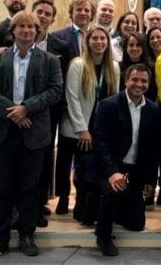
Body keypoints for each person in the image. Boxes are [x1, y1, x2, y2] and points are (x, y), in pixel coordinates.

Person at [0, 11, 63, 259]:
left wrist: (26, 107)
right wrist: (14, 112)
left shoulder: (49, 60)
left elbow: (54, 91)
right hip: (3, 132)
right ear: (13, 31)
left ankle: (27, 235)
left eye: (31, 27)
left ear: (37, 31)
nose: (26, 31)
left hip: (33, 132)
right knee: (2, 189)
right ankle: (0, 238)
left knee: (29, 187)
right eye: (21, 26)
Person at [91, 64, 161, 257]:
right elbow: (100, 143)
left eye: (144, 81)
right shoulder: (108, 105)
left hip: (136, 170)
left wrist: (150, 180)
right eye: (135, 80)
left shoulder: (154, 109)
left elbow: (152, 149)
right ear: (126, 81)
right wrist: (112, 172)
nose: (139, 84)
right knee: (112, 192)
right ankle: (103, 236)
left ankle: (116, 209)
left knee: (137, 224)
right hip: (112, 166)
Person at [56, 26, 120, 221]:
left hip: (99, 125)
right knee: (68, 164)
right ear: (88, 41)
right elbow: (72, 96)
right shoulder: (78, 64)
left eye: (103, 39)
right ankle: (64, 198)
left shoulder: (114, 67)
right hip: (77, 125)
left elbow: (115, 97)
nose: (99, 42)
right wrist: (82, 128)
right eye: (95, 39)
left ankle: (85, 207)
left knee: (88, 168)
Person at [31, 0, 72, 223]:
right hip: (22, 110)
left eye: (48, 13)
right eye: (39, 12)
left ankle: (41, 200)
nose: (43, 16)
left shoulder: (61, 47)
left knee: (46, 154)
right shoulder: (15, 41)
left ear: (53, 19)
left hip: (50, 110)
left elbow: (62, 81)